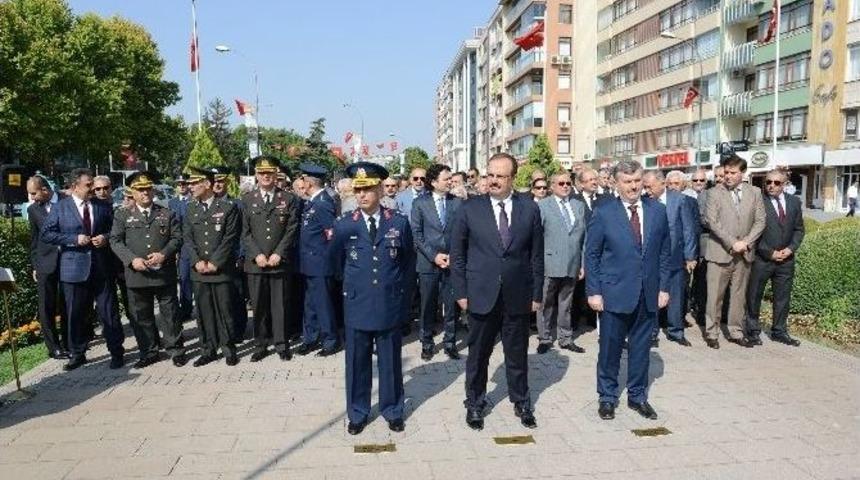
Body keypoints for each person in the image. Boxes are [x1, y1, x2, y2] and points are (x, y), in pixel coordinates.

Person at [451, 153, 543, 430]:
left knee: (517, 353)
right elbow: (458, 255)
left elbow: (536, 256)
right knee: (478, 355)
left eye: (500, 176)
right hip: (480, 293)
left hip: (518, 294)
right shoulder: (469, 209)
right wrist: (461, 292)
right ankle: (475, 403)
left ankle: (521, 400)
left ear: (512, 179)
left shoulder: (529, 209)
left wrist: (537, 294)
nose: (493, 180)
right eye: (490, 174)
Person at [330, 162, 413, 435]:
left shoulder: (398, 222)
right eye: (358, 190)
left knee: (390, 362)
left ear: (379, 189)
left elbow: (407, 264)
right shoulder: (344, 225)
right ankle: (358, 412)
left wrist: (403, 301)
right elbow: (336, 265)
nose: (362, 195)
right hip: (357, 302)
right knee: (357, 362)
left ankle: (393, 410)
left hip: (388, 303)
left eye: (367, 189)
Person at [585, 159, 671, 421]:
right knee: (610, 349)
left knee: (641, 349)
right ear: (616, 183)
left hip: (648, 293)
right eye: (627, 182)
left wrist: (664, 287)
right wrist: (594, 291)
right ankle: (607, 397)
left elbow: (665, 252)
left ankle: (637, 396)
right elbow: (592, 255)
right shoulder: (604, 212)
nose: (633, 187)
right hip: (614, 293)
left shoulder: (657, 210)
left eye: (637, 181)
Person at [42, 168, 126, 370]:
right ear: (74, 186)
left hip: (102, 268)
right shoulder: (61, 208)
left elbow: (115, 230)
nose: (92, 188)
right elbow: (47, 233)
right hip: (73, 269)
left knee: (109, 312)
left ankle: (116, 352)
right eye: (88, 185)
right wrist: (72, 239)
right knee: (75, 314)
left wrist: (105, 238)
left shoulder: (102, 205)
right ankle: (77, 354)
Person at [110, 172, 186, 368]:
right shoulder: (122, 215)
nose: (145, 193)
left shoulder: (166, 213)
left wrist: (164, 254)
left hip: (163, 272)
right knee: (141, 315)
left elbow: (177, 238)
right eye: (140, 190)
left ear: (153, 190)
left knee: (170, 313)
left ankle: (175, 349)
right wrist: (131, 259)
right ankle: (149, 351)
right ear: (132, 193)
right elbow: (115, 240)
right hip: (137, 274)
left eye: (148, 189)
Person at [241, 156, 301, 361]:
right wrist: (256, 254)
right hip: (255, 263)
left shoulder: (288, 199)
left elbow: (292, 229)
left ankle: (281, 344)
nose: (266, 176)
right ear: (256, 175)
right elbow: (244, 232)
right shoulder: (247, 200)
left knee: (280, 305)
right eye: (262, 173)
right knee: (259, 306)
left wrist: (279, 253)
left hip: (279, 262)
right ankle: (260, 344)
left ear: (276, 175)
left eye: (270, 173)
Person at [702, 155, 765, 349]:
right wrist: (733, 242)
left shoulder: (754, 192)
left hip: (744, 253)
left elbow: (760, 221)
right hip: (720, 252)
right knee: (715, 296)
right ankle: (712, 332)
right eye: (726, 172)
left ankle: (736, 331)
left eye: (733, 173)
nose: (728, 176)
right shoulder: (714, 193)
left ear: (743, 173)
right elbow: (712, 222)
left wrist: (745, 242)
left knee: (738, 296)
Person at [184, 167, 242, 366]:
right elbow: (188, 238)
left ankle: (228, 348)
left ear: (207, 184)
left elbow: (230, 238)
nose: (190, 187)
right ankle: (208, 349)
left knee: (224, 310)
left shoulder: (227, 208)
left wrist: (215, 262)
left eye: (194, 183)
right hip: (199, 270)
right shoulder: (191, 208)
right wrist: (197, 261)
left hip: (221, 269)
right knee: (203, 311)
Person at [746, 169, 805, 346]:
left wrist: (790, 249)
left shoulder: (794, 202)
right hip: (763, 259)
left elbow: (799, 229)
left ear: (785, 184)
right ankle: (752, 330)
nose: (771, 186)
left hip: (786, 260)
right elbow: (752, 233)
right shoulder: (758, 203)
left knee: (782, 297)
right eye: (768, 182)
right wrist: (769, 252)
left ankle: (779, 331)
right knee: (754, 295)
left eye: (776, 183)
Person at [411, 163, 461, 361]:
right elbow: (417, 234)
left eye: (451, 179)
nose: (450, 182)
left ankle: (450, 343)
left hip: (451, 262)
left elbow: (461, 232)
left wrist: (452, 255)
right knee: (428, 305)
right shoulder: (420, 204)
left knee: (451, 306)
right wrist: (434, 256)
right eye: (446, 179)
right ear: (433, 182)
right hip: (428, 263)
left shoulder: (457, 203)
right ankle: (427, 342)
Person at [642, 170, 698, 346]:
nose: (647, 190)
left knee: (675, 295)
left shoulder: (678, 199)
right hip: (652, 257)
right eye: (645, 187)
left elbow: (688, 229)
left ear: (661, 183)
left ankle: (676, 331)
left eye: (649, 187)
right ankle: (651, 332)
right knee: (651, 295)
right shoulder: (644, 201)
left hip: (674, 256)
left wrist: (690, 256)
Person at [536, 171, 586, 354]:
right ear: (552, 186)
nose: (565, 186)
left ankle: (565, 338)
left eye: (568, 183)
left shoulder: (578, 205)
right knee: (545, 303)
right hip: (550, 262)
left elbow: (583, 237)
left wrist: (582, 263)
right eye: (561, 183)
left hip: (572, 262)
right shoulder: (543, 206)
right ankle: (545, 338)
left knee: (566, 303)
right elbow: (537, 237)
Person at [296, 163, 340, 356]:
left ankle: (330, 340)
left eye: (302, 179)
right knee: (311, 304)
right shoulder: (313, 201)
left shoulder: (323, 203)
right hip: (309, 263)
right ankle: (311, 338)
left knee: (323, 304)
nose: (300, 183)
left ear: (308, 182)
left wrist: (328, 262)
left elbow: (331, 235)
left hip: (320, 263)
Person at [26, 175, 67, 359]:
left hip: (68, 260)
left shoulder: (67, 202)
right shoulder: (34, 210)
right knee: (46, 307)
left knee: (69, 303)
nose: (32, 197)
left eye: (34, 193)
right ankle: (54, 348)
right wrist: (35, 265)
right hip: (44, 263)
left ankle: (71, 343)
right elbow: (34, 240)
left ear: (44, 189)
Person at [168, 174, 194, 323]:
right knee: (184, 278)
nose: (182, 186)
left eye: (184, 183)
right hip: (180, 246)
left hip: (193, 244)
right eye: (179, 184)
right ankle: (186, 309)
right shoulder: (172, 203)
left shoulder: (194, 200)